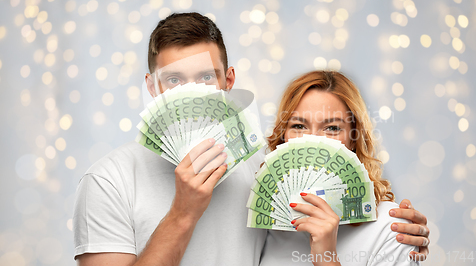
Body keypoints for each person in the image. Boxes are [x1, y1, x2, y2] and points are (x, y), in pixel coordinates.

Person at [73, 13, 430, 266]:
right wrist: (183, 213)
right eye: (174, 81)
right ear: (152, 88)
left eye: (205, 78)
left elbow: (344, 206)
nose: (191, 95)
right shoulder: (108, 181)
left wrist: (395, 226)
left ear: (228, 81)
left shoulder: (265, 165)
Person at [259, 70, 426, 266]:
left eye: (332, 128)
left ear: (354, 138)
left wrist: (327, 258)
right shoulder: (266, 222)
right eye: (299, 126)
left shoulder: (392, 228)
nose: (313, 142)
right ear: (283, 136)